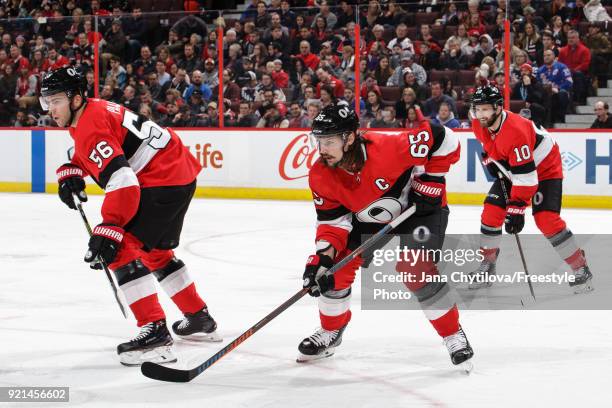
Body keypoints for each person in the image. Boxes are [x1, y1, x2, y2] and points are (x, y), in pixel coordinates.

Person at [40, 66, 221, 367]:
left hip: (161, 178)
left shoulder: (88, 124)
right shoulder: (91, 111)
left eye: (56, 100)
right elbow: (104, 148)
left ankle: (156, 335)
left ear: (75, 99)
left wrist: (110, 226)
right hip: (177, 170)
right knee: (156, 252)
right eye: (47, 101)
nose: (50, 108)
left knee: (120, 247)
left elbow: (123, 179)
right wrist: (73, 169)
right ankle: (198, 317)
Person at [299, 103, 474, 370]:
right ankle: (330, 331)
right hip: (371, 217)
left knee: (416, 271)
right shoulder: (321, 174)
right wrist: (321, 258)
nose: (322, 149)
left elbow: (444, 138)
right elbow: (333, 224)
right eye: (319, 141)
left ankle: (452, 334)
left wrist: (433, 179)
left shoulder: (389, 148)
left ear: (349, 137)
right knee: (335, 269)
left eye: (329, 141)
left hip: (421, 209)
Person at [468, 85, 593, 293]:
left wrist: (517, 209)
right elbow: (489, 143)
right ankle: (487, 266)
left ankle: (580, 267)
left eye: (485, 109)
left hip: (545, 168)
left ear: (498, 108)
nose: (480, 114)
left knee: (546, 219)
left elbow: (526, 179)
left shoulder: (515, 131)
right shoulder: (478, 123)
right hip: (516, 166)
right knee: (491, 211)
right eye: (477, 109)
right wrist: (491, 158)